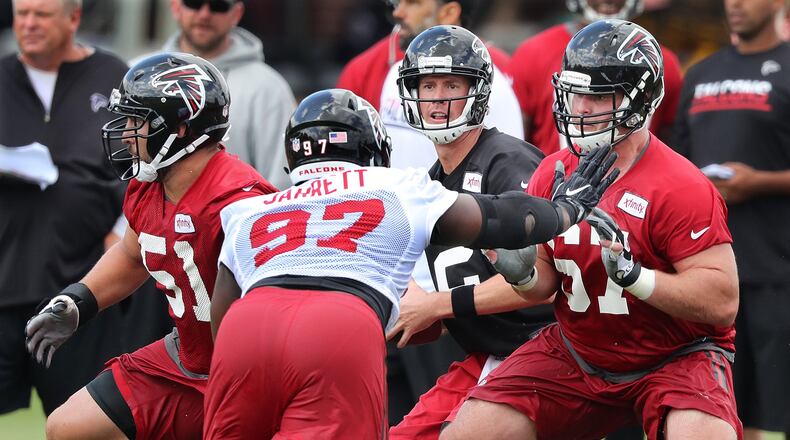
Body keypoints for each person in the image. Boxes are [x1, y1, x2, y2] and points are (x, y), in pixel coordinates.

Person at [203, 88, 619, 439]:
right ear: (375, 149)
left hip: (245, 332)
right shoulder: (397, 185)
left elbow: (221, 320)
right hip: (339, 322)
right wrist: (566, 210)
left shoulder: (250, 210)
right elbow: (500, 219)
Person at [442, 20, 742, 440]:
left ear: (640, 100)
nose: (581, 107)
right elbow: (545, 286)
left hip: (675, 354)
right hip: (579, 349)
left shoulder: (681, 186)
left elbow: (722, 301)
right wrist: (524, 273)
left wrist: (638, 279)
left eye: (598, 96)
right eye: (576, 92)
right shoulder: (553, 171)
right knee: (467, 434)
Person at [25, 52, 278, 439]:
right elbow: (133, 253)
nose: (126, 132)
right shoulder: (149, 184)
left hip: (245, 371)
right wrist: (81, 300)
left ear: (180, 128)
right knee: (68, 427)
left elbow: (281, 301)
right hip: (184, 355)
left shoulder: (239, 202)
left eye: (136, 121)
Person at [386, 25, 553, 439]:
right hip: (491, 354)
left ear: (477, 92)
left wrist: (436, 307)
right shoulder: (428, 183)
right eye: (428, 85)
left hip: (546, 349)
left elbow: (542, 284)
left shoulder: (507, 162)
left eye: (452, 84)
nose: (438, 98)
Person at [0, 0, 137, 417]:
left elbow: (144, 170)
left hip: (81, 291)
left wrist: (122, 227)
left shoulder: (115, 76)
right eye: (21, 14)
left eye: (41, 14)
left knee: (79, 418)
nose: (28, 24)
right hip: (4, 280)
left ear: (74, 18)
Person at [672, 0, 790, 438]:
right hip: (708, 270)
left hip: (778, 269)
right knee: (724, 410)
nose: (734, 5)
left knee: (774, 408)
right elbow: (675, 165)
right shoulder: (701, 75)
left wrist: (760, 181)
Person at [337, 0, 522, 170]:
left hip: (459, 203)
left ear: (449, 12)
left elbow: (507, 166)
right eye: (398, 2)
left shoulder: (492, 78)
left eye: (413, 3)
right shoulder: (392, 72)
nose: (398, 12)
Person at [510, 0, 683, 156]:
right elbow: (516, 143)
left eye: (600, 96)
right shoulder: (533, 53)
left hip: (636, 181)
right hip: (554, 182)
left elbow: (671, 141)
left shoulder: (662, 62)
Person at [164, 0, 296, 189]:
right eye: (194, 3)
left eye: (218, 6)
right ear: (176, 7)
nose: (204, 14)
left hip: (236, 217)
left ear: (237, 13)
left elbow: (281, 189)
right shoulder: (138, 76)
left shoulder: (269, 88)